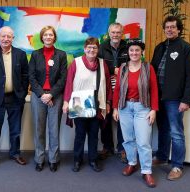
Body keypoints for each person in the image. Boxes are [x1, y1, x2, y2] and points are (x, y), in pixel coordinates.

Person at [151, 16, 190, 180]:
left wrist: (186, 99)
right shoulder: (160, 47)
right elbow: (152, 72)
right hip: (159, 97)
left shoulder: (187, 49)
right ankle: (162, 157)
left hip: (175, 99)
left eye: (173, 27)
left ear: (179, 29)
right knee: (162, 129)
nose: (169, 29)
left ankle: (177, 166)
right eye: (167, 27)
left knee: (176, 132)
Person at [112, 39, 158, 188]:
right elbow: (117, 89)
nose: (134, 53)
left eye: (137, 50)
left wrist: (153, 110)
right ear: (128, 52)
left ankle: (146, 171)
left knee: (143, 141)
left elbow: (154, 90)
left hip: (142, 107)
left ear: (141, 52)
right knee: (128, 139)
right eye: (131, 50)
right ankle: (132, 163)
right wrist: (115, 108)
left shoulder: (148, 67)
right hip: (124, 107)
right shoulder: (123, 67)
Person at [63, 37, 112, 172]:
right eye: (89, 47)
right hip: (79, 104)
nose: (91, 50)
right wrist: (66, 101)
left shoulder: (103, 64)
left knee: (93, 134)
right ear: (85, 49)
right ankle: (77, 160)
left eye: (94, 47)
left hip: (97, 104)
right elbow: (69, 82)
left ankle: (93, 160)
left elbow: (107, 85)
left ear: (98, 49)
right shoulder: (76, 63)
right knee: (79, 134)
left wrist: (108, 102)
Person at [0, 26, 29, 169]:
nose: (6, 39)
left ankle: (15, 153)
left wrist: (22, 94)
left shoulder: (20, 54)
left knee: (15, 129)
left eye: (9, 36)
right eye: (3, 36)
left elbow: (25, 76)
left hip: (15, 99)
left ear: (13, 38)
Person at [29, 26, 67, 172]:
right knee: (39, 129)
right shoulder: (35, 54)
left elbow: (63, 78)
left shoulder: (61, 55)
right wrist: (42, 95)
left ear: (54, 37)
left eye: (51, 35)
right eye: (45, 35)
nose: (48, 37)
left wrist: (51, 94)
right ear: (42, 37)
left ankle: (53, 159)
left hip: (55, 96)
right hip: (38, 96)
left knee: (53, 129)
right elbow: (31, 76)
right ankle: (39, 159)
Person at [98, 23, 128, 162]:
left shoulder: (128, 47)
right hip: (106, 88)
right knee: (105, 119)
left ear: (122, 33)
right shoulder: (101, 47)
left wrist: (121, 70)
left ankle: (123, 149)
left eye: (118, 32)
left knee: (123, 119)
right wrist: (112, 69)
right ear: (108, 33)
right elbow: (97, 66)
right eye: (113, 32)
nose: (115, 35)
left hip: (124, 88)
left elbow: (135, 63)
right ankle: (107, 147)